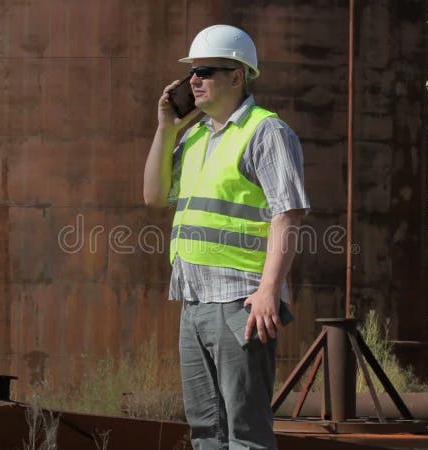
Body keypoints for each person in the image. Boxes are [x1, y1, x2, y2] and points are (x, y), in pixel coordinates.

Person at [143, 24, 309, 450]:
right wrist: (166, 129)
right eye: (191, 73)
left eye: (207, 71)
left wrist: (270, 290)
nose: (194, 80)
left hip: (241, 300)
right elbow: (155, 196)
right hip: (194, 301)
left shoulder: (265, 131)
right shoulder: (195, 136)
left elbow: (287, 212)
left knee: (246, 433)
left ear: (237, 77)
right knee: (206, 432)